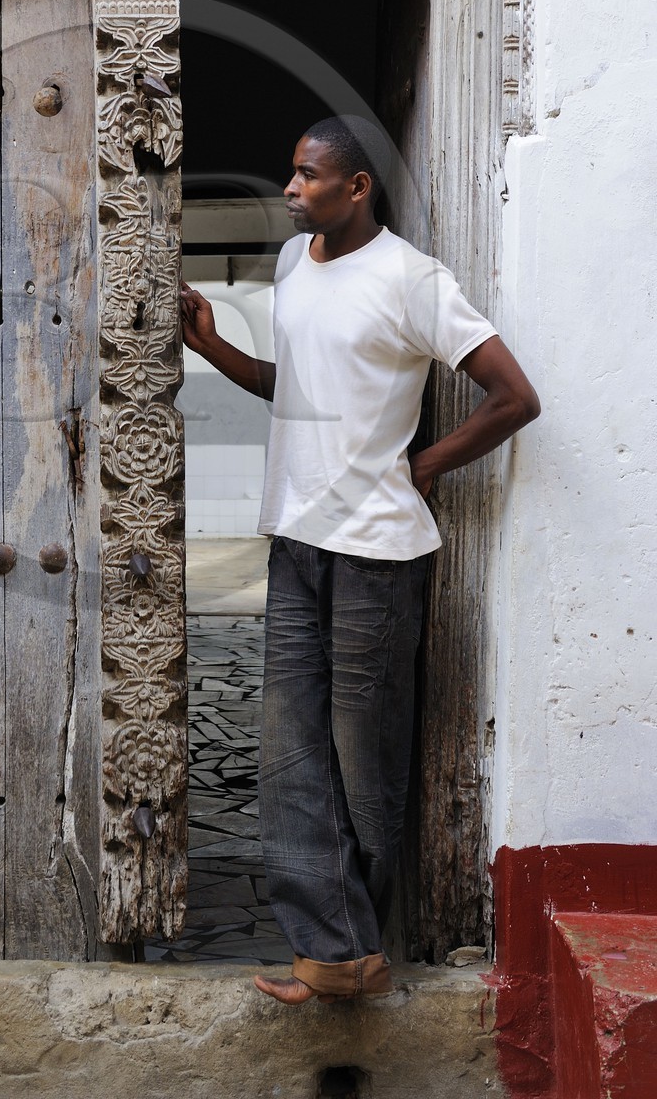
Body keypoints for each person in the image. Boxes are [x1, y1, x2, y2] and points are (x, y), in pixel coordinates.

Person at [180, 115, 540, 1006]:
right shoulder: (297, 265)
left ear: (356, 188)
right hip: (297, 543)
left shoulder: (413, 280)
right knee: (290, 756)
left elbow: (513, 396)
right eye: (291, 175)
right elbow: (293, 388)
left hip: (377, 556)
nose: (292, 190)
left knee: (363, 764)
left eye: (307, 177)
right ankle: (335, 957)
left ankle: (364, 944)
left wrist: (420, 466)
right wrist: (212, 343)